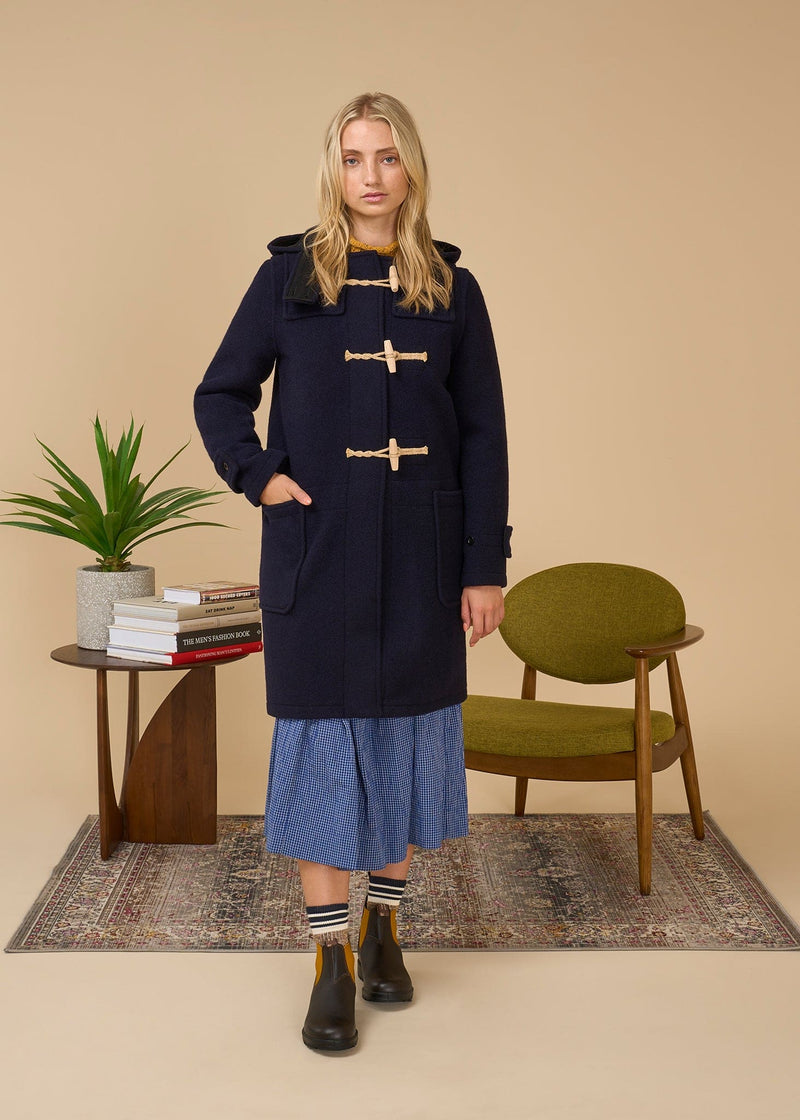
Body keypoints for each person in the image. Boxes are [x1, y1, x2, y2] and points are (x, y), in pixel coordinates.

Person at [193, 91, 512, 1052]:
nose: (370, 176)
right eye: (352, 157)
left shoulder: (452, 290)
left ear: (411, 168)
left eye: (387, 157)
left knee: (409, 745)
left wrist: (483, 565)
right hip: (319, 550)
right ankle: (330, 961)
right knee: (321, 752)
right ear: (332, 170)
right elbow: (220, 394)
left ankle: (385, 931)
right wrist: (259, 477)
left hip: (422, 555)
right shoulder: (288, 278)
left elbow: (485, 437)